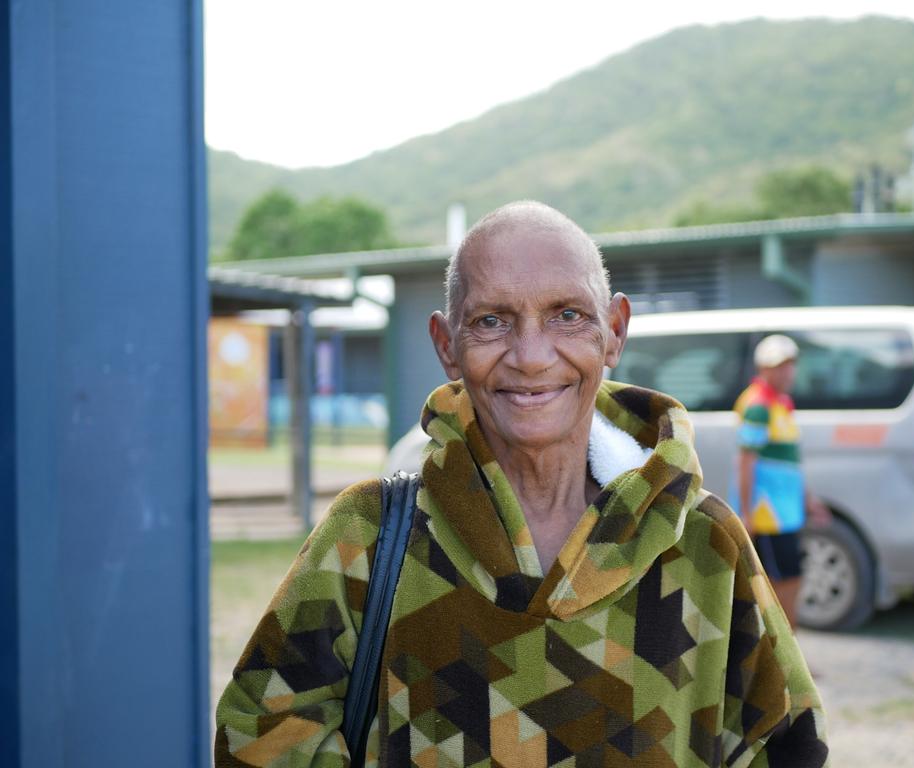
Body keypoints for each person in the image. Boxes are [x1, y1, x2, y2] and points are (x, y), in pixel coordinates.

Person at [215, 202, 828, 766]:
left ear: (613, 330)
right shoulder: (371, 537)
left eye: (567, 315)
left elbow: (786, 742)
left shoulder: (702, 542)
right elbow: (258, 733)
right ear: (446, 345)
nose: (531, 356)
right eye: (491, 321)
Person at [733, 334, 831, 628]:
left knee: (788, 580)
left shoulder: (781, 403)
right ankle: (786, 659)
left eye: (790, 365)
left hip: (785, 511)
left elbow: (789, 462)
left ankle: (786, 658)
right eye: (779, 366)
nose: (787, 372)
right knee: (782, 583)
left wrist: (808, 500)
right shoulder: (759, 405)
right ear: (763, 368)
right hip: (769, 513)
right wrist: (747, 514)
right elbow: (745, 462)